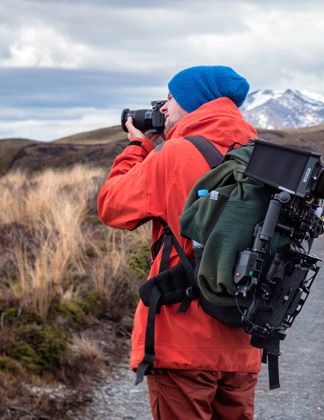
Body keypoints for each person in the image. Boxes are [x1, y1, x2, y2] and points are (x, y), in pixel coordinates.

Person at [97, 65, 261, 419]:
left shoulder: (172, 156)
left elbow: (111, 207)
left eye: (171, 97)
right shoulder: (260, 156)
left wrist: (139, 147)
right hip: (243, 341)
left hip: (183, 338)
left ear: (192, 101)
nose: (164, 108)